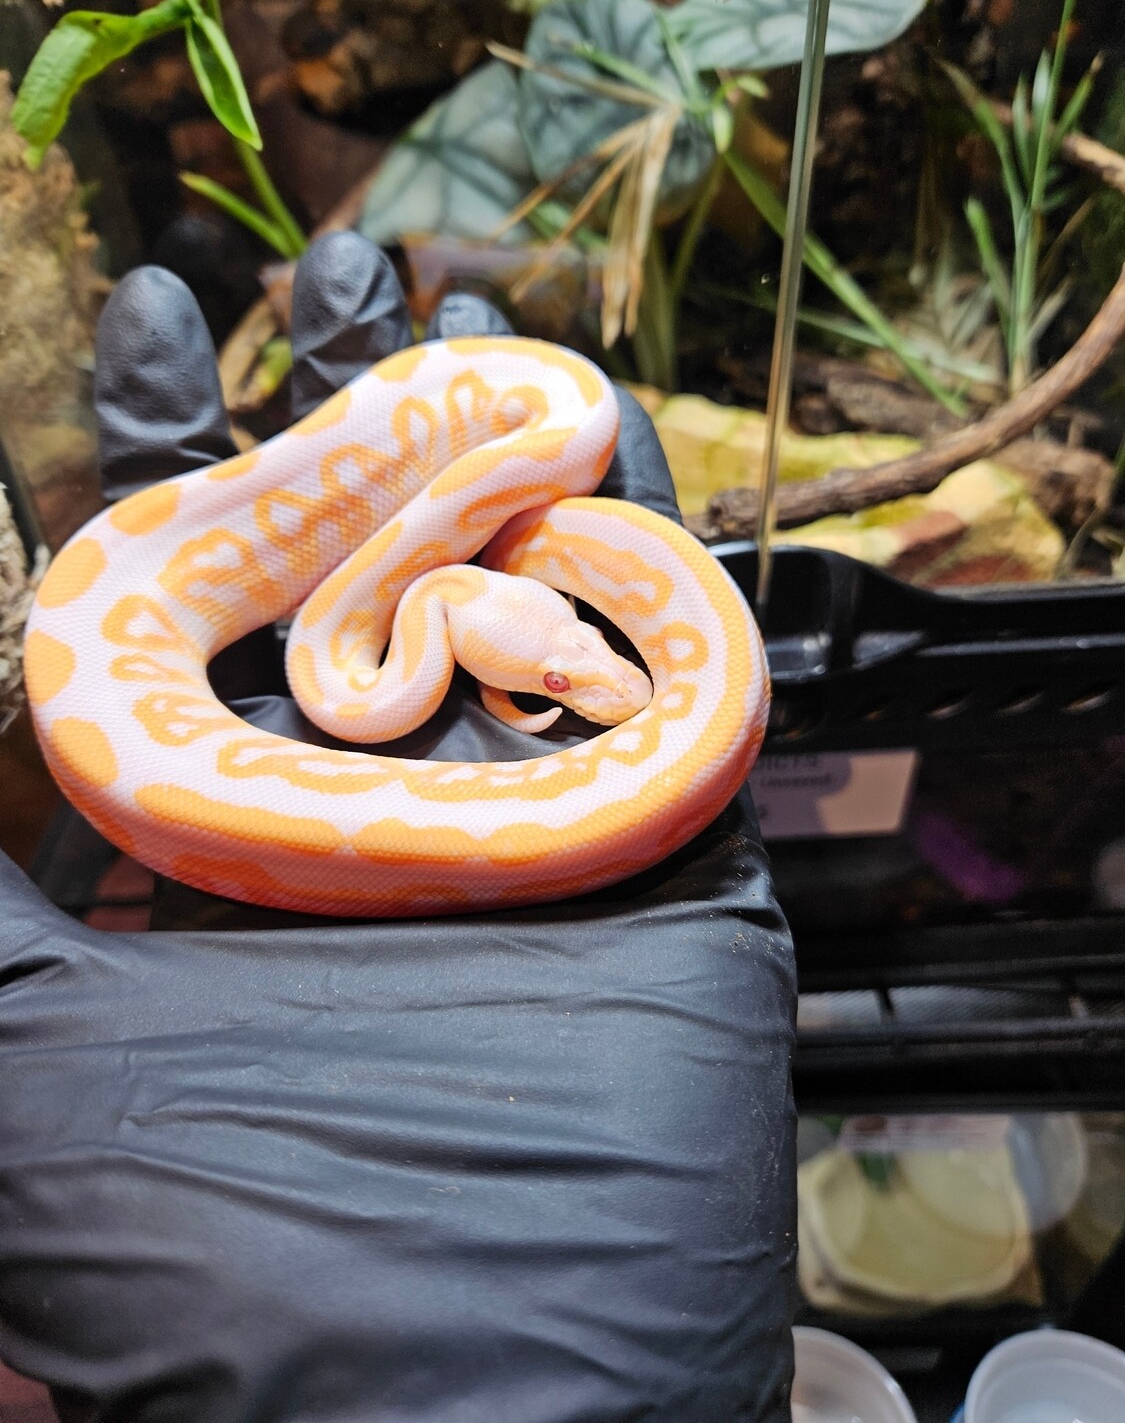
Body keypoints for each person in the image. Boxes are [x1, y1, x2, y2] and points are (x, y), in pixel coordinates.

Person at [0, 233, 796, 1422]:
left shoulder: (425, 608)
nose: (602, 688)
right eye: (578, 676)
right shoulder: (388, 638)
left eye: (574, 664)